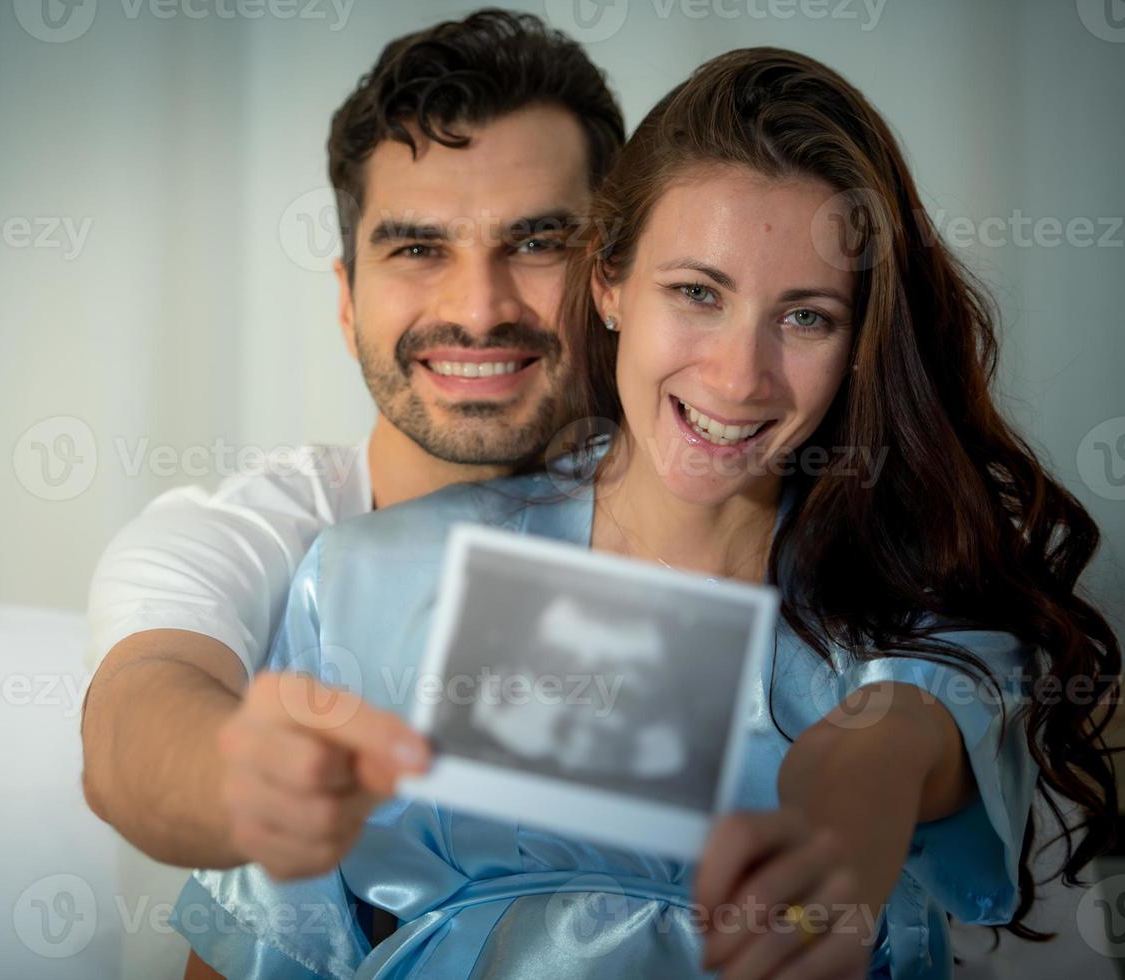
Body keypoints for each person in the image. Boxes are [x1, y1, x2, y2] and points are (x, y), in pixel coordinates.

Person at [171, 47, 1121, 980]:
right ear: (610, 283)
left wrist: (864, 778)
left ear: (859, 339)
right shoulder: (376, 577)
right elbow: (265, 943)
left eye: (806, 318)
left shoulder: (918, 618)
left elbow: (913, 726)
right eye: (697, 293)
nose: (738, 378)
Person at [81, 0, 624, 905]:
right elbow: (136, 714)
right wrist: (241, 781)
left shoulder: (711, 510)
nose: (481, 308)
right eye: (418, 247)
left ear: (611, 276)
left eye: (536, 242)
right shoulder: (258, 531)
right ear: (345, 300)